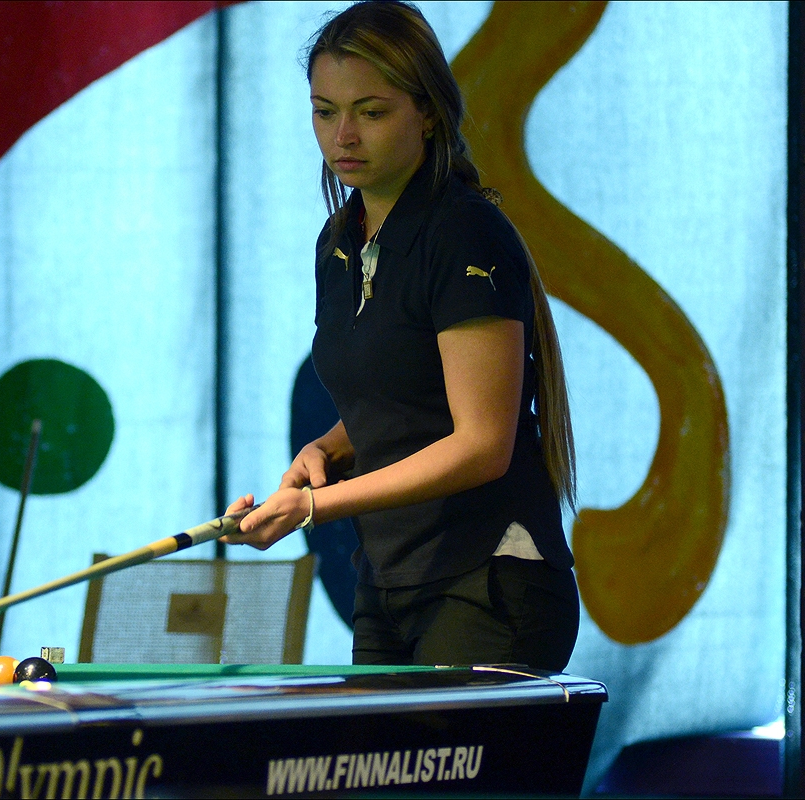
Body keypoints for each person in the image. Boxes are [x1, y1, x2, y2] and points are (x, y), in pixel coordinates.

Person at [223, 1, 580, 671]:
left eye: (372, 112)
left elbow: (481, 445)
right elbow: (404, 400)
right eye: (324, 112)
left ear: (429, 113)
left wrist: (314, 506)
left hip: (489, 578)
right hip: (389, 579)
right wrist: (326, 447)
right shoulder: (339, 240)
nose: (343, 136)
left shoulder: (464, 232)